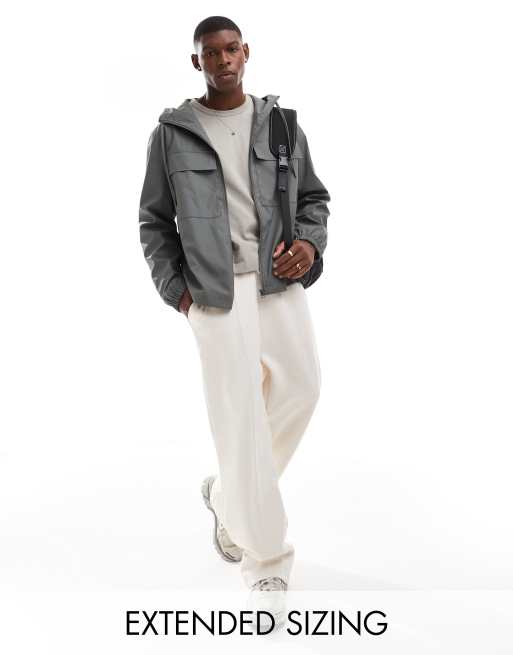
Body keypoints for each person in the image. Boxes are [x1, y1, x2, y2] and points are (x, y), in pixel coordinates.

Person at [138, 15, 330, 629]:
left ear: (246, 52)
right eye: (210, 53)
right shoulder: (173, 134)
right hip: (216, 296)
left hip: (277, 283)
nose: (223, 60)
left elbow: (313, 199)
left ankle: (227, 495)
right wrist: (178, 293)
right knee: (241, 419)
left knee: (302, 390)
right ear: (196, 62)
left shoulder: (281, 124)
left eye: (231, 49)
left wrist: (310, 244)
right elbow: (153, 221)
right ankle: (266, 560)